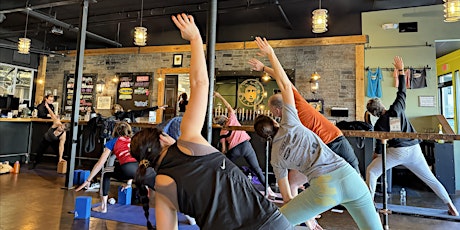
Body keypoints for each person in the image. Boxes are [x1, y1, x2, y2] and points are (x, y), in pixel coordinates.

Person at [129, 13, 293, 230]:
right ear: (163, 137)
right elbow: (200, 83)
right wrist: (195, 39)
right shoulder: (187, 141)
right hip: (267, 223)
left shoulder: (161, 187)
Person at [253, 36, 382, 229]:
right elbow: (284, 82)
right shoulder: (291, 120)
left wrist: (302, 210)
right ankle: (312, 222)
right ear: (274, 119)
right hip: (348, 177)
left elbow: (287, 198)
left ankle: (310, 221)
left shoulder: (276, 155)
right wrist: (270, 54)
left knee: (277, 221)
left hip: (331, 158)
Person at [248, 58, 361, 197]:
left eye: (272, 112)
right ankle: (311, 216)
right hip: (326, 146)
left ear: (277, 111)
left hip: (329, 145)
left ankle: (308, 217)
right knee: (353, 178)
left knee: (294, 184)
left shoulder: (288, 122)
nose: (273, 115)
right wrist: (264, 68)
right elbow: (282, 78)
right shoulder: (295, 107)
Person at [366, 56, 459, 217]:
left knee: (371, 171)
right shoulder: (397, 108)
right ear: (381, 105)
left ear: (373, 113)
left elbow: (380, 148)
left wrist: (375, 156)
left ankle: (368, 204)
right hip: (414, 150)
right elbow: (402, 90)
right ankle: (451, 206)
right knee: (431, 179)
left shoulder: (379, 124)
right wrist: (401, 70)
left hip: (396, 152)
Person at [75, 121, 156, 213]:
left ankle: (103, 206)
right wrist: (129, 184)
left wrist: (88, 180)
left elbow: (100, 163)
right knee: (163, 191)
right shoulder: (134, 140)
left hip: (128, 168)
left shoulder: (113, 141)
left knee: (106, 172)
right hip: (144, 169)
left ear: (115, 132)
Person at [213, 91, 275, 196]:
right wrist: (219, 96)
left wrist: (223, 158)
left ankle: (219, 187)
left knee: (224, 168)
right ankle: (269, 191)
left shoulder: (222, 131)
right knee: (257, 169)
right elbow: (228, 106)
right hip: (246, 146)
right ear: (226, 118)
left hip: (234, 150)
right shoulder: (232, 119)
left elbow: (224, 149)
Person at [30, 102, 69, 169]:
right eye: (61, 126)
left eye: (62, 128)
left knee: (58, 153)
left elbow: (61, 147)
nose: (60, 127)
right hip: (46, 139)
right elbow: (52, 114)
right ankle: (34, 164)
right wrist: (47, 107)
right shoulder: (57, 123)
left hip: (54, 141)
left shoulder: (63, 135)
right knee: (39, 152)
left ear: (64, 130)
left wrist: (60, 158)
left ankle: (59, 166)